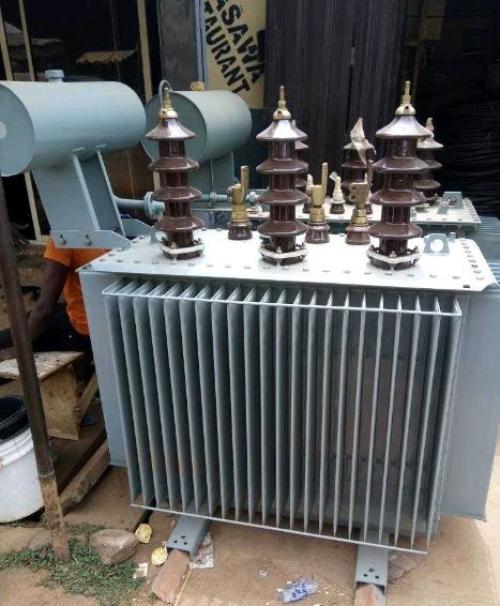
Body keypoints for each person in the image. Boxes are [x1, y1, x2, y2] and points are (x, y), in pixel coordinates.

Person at [0, 238, 106, 357]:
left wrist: (18, 350)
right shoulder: (109, 233)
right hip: (109, 324)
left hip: (85, 334)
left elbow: (44, 309)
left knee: (5, 341)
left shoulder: (63, 238)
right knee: (31, 317)